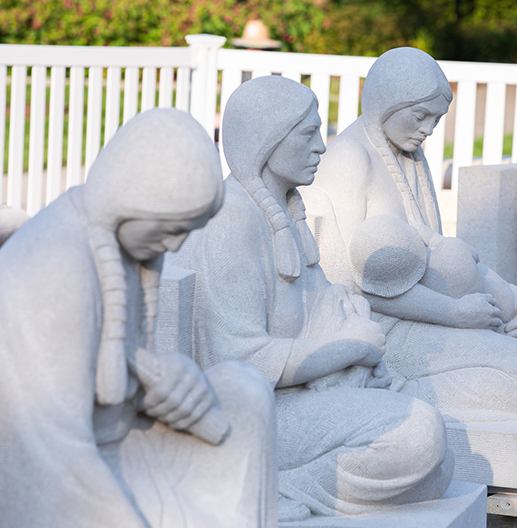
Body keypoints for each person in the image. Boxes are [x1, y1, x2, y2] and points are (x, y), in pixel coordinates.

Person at [0, 108, 278, 528]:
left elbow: (118, 372)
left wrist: (168, 387)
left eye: (187, 228)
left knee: (244, 391)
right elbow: (51, 451)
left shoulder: (124, 246)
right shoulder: (59, 267)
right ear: (126, 203)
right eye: (169, 227)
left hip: (123, 442)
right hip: (63, 478)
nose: (176, 242)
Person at [172, 75, 453, 521]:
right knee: (419, 436)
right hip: (254, 414)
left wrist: (352, 319)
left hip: (303, 396)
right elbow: (240, 363)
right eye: (307, 134)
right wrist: (350, 347)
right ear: (266, 142)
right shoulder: (231, 226)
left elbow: (324, 300)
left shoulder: (284, 209)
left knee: (438, 465)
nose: (322, 146)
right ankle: (254, 487)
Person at [306, 47, 517, 422]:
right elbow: (351, 286)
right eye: (421, 116)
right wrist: (454, 314)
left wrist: (500, 291)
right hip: (391, 329)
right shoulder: (349, 159)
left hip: (444, 314)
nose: (429, 129)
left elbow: (439, 246)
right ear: (387, 104)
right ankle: (397, 395)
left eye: (436, 119)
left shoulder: (410, 155)